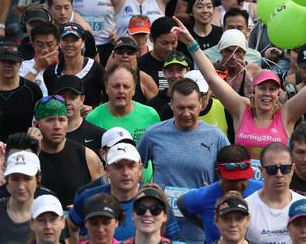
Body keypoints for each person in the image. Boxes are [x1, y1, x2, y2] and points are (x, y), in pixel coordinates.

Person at [171, 16, 306, 159]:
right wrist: (191, 43)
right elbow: (212, 78)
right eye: (262, 88)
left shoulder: (286, 114)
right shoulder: (241, 109)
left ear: (279, 93)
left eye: (272, 89)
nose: (267, 93)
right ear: (253, 91)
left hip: (278, 186)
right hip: (244, 187)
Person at [137, 78, 230, 243]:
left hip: (201, 231)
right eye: (180, 108)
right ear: (171, 105)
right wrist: (146, 195)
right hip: (162, 231)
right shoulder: (153, 134)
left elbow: (230, 181)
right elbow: (133, 168)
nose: (186, 113)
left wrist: (214, 194)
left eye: (191, 107)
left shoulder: (216, 137)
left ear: (201, 104)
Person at [178, 145, 263, 244]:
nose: (238, 185)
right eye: (232, 180)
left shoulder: (262, 191)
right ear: (219, 173)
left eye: (243, 179)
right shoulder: (205, 196)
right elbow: (181, 203)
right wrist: (205, 225)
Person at [245, 143, 306, 244]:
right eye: (272, 169)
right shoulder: (247, 208)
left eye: (285, 169)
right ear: (262, 171)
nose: (279, 175)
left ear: (292, 169)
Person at [33, 95, 103, 207]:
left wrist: (82, 208)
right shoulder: (29, 157)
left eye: (61, 120)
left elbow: (102, 198)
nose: (57, 126)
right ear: (36, 124)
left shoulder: (87, 156)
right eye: (50, 120)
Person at [0, 44, 43, 141]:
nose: (8, 66)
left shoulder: (32, 89)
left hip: (23, 145)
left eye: (12, 62)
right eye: (3, 62)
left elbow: (41, 119)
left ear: (19, 65)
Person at [87, 65, 160, 144]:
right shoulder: (93, 118)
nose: (121, 91)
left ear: (134, 90)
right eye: (116, 86)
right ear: (106, 88)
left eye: (126, 86)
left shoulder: (150, 116)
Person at [43, 22, 105, 107]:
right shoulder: (50, 73)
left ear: (83, 42)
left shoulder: (96, 70)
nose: (69, 44)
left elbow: (109, 99)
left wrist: (93, 109)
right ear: (59, 42)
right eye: (65, 40)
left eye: (74, 40)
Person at [52, 75, 106, 154]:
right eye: (62, 98)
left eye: (72, 97)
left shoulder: (99, 135)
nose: (67, 102)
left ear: (82, 99)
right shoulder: (47, 134)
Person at [108, 36, 159, 103]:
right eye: (120, 51)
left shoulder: (144, 79)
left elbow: (157, 106)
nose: (125, 55)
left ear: (137, 55)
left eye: (130, 52)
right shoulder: (107, 77)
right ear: (113, 55)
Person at [137, 17, 179, 91]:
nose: (169, 48)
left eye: (173, 43)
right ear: (151, 38)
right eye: (164, 43)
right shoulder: (140, 65)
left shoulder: (184, 62)